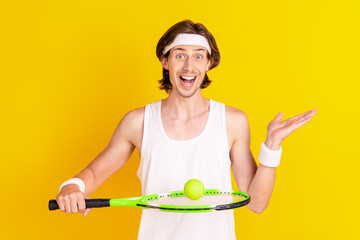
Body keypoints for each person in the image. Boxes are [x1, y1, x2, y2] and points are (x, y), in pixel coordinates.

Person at [55, 19, 317, 239]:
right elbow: (92, 173)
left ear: (209, 63)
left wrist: (271, 147)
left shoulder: (232, 121)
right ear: (165, 61)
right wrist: (71, 188)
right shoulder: (138, 122)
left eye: (198, 56)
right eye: (180, 55)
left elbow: (257, 203)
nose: (189, 67)